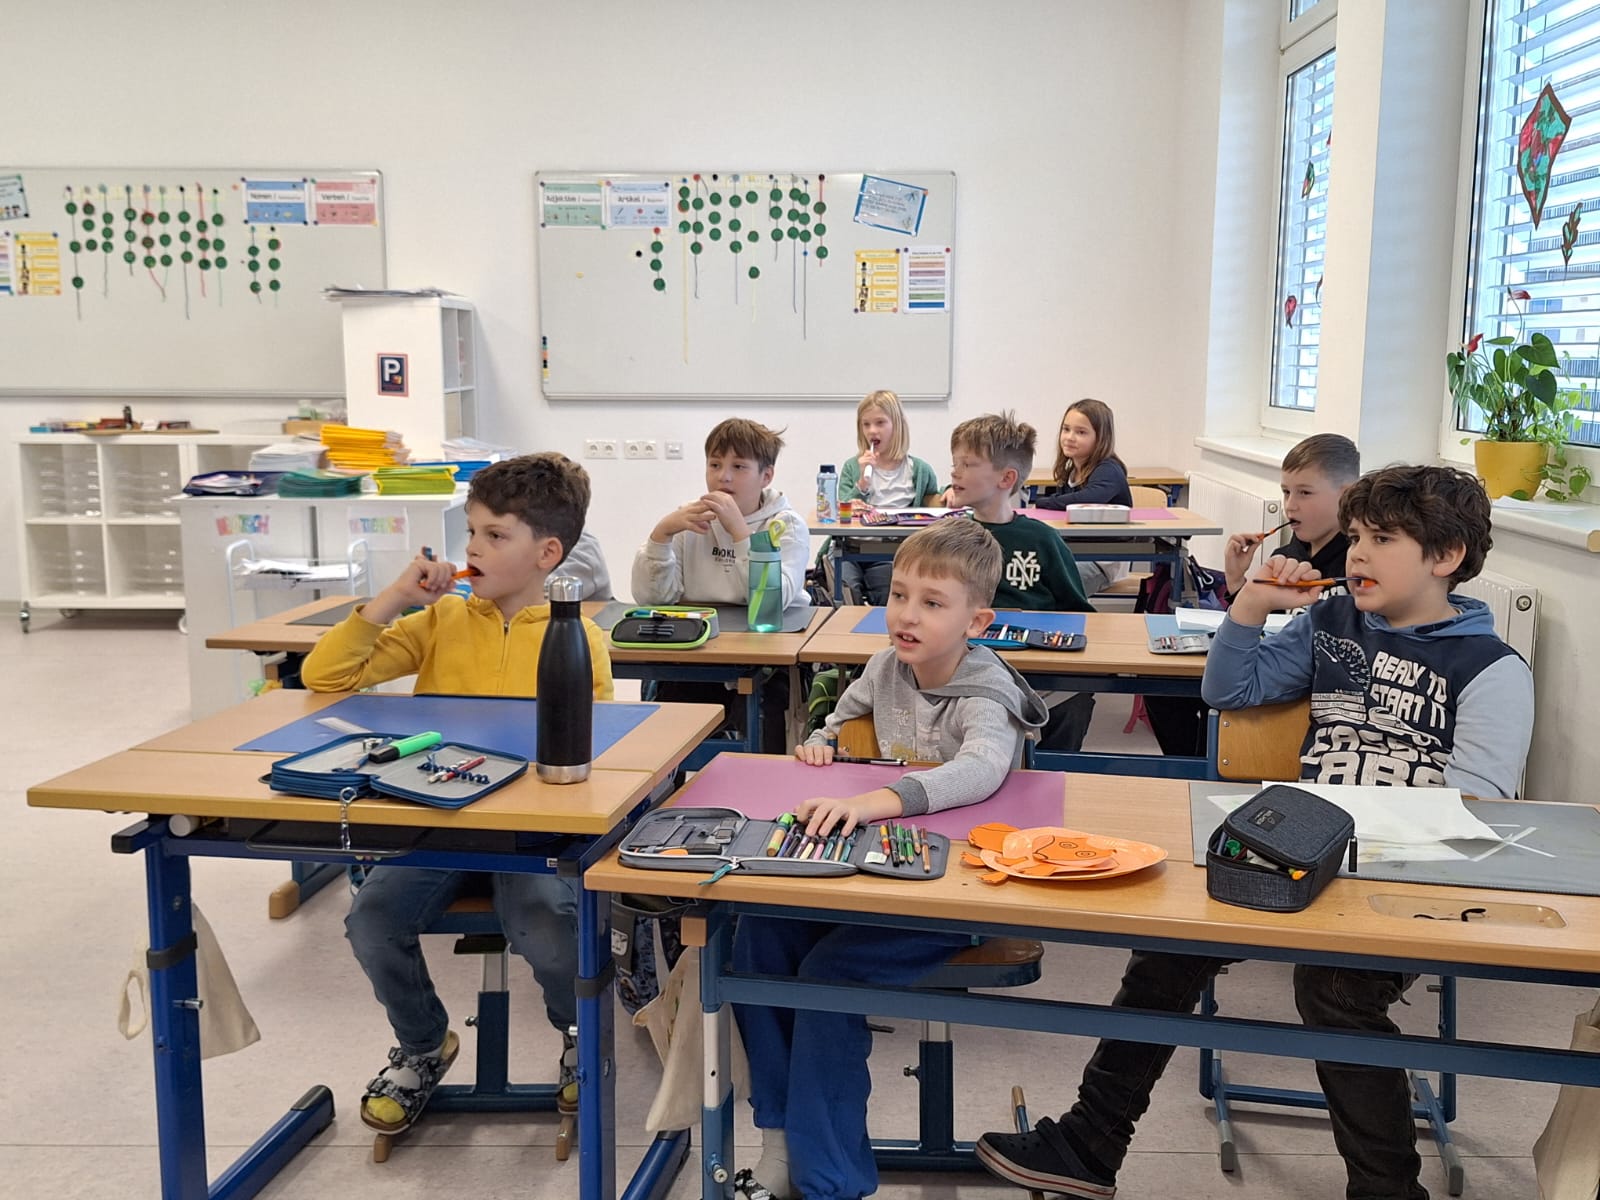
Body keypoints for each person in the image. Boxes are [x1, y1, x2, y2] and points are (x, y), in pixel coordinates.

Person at [976, 465, 1534, 1200]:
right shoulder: (1331, 623)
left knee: (1335, 990)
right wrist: (1249, 606)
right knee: (1170, 944)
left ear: (1447, 556)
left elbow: (1477, 810)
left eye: (1382, 540)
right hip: (1295, 856)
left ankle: (1388, 1191)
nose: (1358, 554)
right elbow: (1228, 689)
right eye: (1356, 537)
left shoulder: (1491, 667)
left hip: (1403, 878)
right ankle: (1089, 1143)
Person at [300, 452, 613, 1136]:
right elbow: (325, 676)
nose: (472, 549)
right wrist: (392, 600)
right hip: (439, 822)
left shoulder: (578, 637)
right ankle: (423, 1044)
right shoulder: (440, 620)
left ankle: (578, 1037)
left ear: (547, 554)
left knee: (544, 923)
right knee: (372, 920)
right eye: (471, 532)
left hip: (529, 835)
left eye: (495, 535)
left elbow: (596, 750)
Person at [733, 518, 1047, 1200]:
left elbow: (983, 769)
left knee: (828, 976)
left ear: (977, 621)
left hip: (959, 894)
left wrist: (880, 799)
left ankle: (828, 1181)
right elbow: (837, 722)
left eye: (932, 603)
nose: (906, 615)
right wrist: (821, 743)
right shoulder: (884, 668)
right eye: (899, 595)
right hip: (879, 875)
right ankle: (780, 1136)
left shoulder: (987, 692)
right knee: (757, 932)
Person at [1147, 432, 1363, 756]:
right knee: (1164, 693)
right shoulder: (1288, 554)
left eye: (1305, 493)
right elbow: (1262, 624)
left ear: (1346, 496)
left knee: (1215, 707)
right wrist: (1237, 582)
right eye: (1286, 492)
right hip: (1266, 671)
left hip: (1304, 691)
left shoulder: (1356, 564)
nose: (1290, 505)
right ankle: (1196, 765)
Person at [632, 417, 808, 752]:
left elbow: (772, 602)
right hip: (699, 651)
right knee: (669, 722)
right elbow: (652, 598)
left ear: (766, 476)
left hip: (769, 657)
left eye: (738, 466)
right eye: (715, 465)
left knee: (764, 717)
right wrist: (661, 536)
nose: (723, 477)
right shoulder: (691, 520)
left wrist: (740, 533)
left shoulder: (786, 525)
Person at [947, 410, 1095, 750]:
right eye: (955, 463)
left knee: (1075, 700)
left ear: (1006, 478)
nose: (955, 472)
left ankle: (1051, 771)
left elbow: (1078, 611)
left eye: (968, 464)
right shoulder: (949, 538)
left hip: (1035, 664)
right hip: (967, 665)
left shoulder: (1042, 539)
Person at [835, 389, 941, 604]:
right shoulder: (852, 467)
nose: (872, 431)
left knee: (888, 590)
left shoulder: (918, 470)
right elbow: (842, 511)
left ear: (897, 425)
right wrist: (861, 485)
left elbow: (934, 505)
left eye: (880, 423)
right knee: (846, 588)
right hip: (851, 549)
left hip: (891, 553)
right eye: (866, 424)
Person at [1034, 399, 1133, 595]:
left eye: (1081, 432)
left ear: (1101, 438)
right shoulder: (1071, 471)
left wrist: (1043, 502)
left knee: (1051, 590)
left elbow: (1088, 499)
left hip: (1101, 563)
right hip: (1073, 553)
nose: (1070, 437)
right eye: (1066, 429)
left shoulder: (1109, 469)